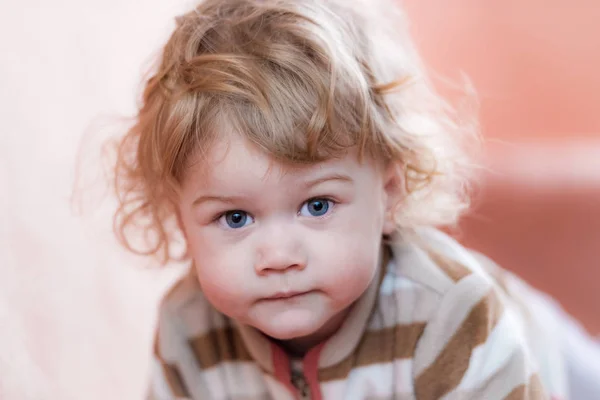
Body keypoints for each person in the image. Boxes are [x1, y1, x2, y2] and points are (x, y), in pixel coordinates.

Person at [109, 0, 599, 398]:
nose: (278, 256)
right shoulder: (189, 330)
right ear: (180, 220)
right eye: (235, 217)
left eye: (317, 205)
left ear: (389, 194)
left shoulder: (449, 310)